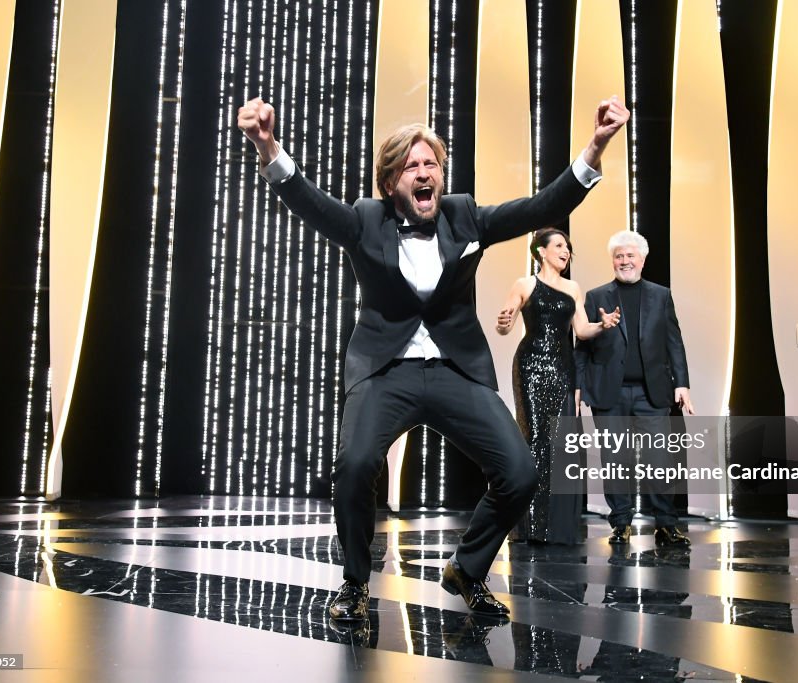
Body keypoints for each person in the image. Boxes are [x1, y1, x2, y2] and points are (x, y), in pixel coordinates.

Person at [237, 95, 629, 622]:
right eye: (411, 166)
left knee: (520, 472)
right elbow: (308, 200)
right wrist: (267, 145)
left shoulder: (464, 216)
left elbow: (541, 206)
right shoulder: (364, 220)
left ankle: (466, 570)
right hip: (385, 369)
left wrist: (598, 144)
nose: (424, 173)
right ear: (390, 181)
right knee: (354, 466)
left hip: (454, 368)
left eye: (432, 164)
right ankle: (354, 583)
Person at [495, 228, 620, 544]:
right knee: (536, 438)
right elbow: (506, 324)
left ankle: (558, 528)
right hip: (531, 367)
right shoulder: (525, 284)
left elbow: (581, 329)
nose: (566, 251)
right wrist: (504, 322)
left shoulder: (573, 287)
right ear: (540, 251)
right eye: (560, 246)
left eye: (568, 247)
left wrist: (602, 325)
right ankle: (531, 526)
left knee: (563, 444)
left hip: (562, 368)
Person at [574, 230, 695, 547]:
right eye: (618, 256)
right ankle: (620, 524)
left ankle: (666, 525)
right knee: (614, 460)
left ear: (642, 259)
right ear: (612, 260)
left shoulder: (661, 295)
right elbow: (582, 346)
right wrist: (579, 386)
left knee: (660, 460)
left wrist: (681, 383)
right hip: (608, 395)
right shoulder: (596, 296)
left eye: (630, 255)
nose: (624, 261)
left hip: (651, 392)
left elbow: (674, 343)